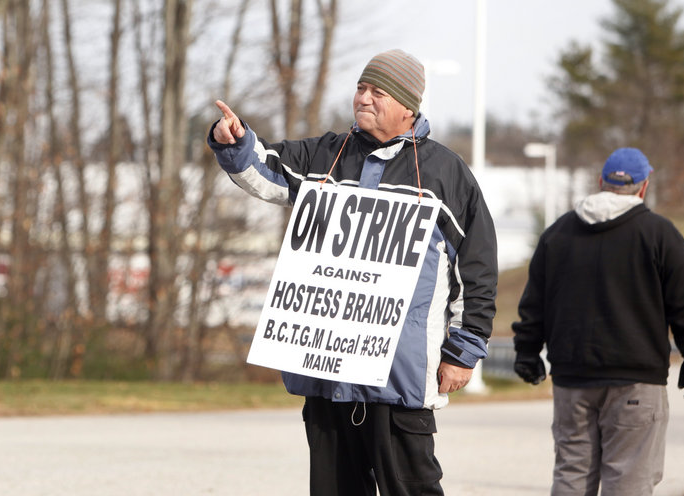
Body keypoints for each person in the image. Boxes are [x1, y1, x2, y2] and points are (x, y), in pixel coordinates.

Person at [207, 49, 497, 496]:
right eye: (361, 87)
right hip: (327, 374)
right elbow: (264, 168)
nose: (363, 98)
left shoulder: (445, 173)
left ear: (407, 106)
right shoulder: (326, 153)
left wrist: (463, 350)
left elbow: (476, 271)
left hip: (400, 376)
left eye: (377, 92)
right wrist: (234, 141)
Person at [512, 147, 684, 496]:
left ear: (600, 183)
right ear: (644, 186)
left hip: (572, 382)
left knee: (571, 477)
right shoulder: (659, 234)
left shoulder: (559, 233)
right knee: (629, 482)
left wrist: (527, 353)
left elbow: (534, 303)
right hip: (636, 383)